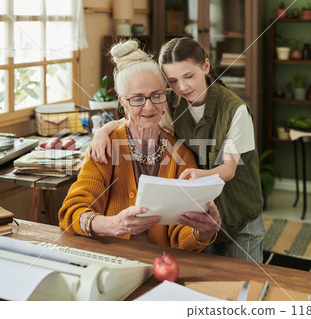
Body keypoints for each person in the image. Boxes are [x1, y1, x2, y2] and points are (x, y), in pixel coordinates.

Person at [88, 37, 265, 262]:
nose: (182, 87)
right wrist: (103, 131)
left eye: (189, 76)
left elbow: (229, 168)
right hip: (200, 217)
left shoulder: (235, 110)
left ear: (206, 66)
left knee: (246, 287)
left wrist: (200, 174)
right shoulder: (169, 101)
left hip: (239, 214)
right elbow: (137, 115)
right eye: (172, 80)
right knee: (207, 288)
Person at [58, 40, 221, 252]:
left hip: (161, 262)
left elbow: (181, 235)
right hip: (109, 258)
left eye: (156, 96)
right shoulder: (105, 148)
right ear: (123, 102)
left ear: (165, 96)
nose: (149, 106)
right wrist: (113, 225)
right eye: (137, 99)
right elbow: (71, 212)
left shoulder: (181, 156)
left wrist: (201, 233)